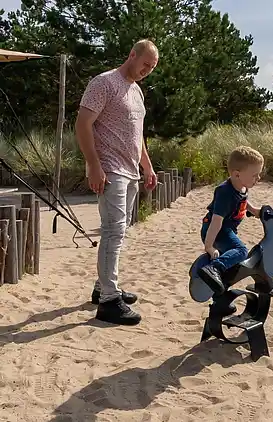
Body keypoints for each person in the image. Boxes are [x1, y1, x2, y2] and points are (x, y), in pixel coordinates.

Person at [75, 39, 159, 325]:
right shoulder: (104, 83)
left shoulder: (137, 91)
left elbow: (137, 134)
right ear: (132, 55)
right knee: (113, 231)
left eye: (152, 67)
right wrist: (94, 165)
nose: (148, 70)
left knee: (118, 232)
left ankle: (103, 288)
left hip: (130, 170)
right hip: (110, 170)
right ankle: (110, 301)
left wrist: (147, 166)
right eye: (145, 63)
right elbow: (83, 124)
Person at [198, 146, 273, 309]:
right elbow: (216, 222)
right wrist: (209, 246)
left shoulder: (241, 187)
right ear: (237, 174)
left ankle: (220, 301)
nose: (258, 178)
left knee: (230, 268)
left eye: (259, 174)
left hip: (226, 231)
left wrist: (257, 212)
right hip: (217, 232)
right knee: (241, 251)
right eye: (254, 175)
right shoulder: (224, 192)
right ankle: (213, 268)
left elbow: (245, 203)